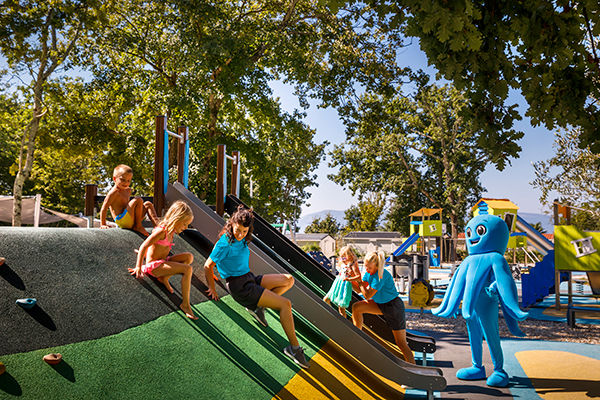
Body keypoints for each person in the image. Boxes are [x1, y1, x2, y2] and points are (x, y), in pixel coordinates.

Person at [204, 205, 309, 369]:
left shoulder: (244, 239)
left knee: (288, 280)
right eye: (238, 230)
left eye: (244, 232)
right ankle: (294, 349)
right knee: (285, 304)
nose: (240, 235)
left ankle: (258, 307)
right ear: (231, 224)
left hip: (249, 278)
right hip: (239, 287)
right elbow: (207, 266)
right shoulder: (224, 243)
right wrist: (212, 287)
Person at [129, 200, 197, 320]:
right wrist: (139, 266)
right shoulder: (162, 231)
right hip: (154, 267)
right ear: (176, 219)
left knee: (189, 257)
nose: (186, 228)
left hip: (163, 262)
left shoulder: (171, 231)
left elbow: (157, 249)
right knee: (188, 269)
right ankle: (185, 304)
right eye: (184, 224)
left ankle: (165, 277)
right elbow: (144, 245)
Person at [352, 250, 415, 364]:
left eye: (369, 267)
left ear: (377, 266)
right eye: (365, 266)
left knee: (401, 343)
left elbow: (367, 295)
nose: (366, 269)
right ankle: (357, 334)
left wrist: (359, 282)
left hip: (393, 307)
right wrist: (349, 279)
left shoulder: (381, 275)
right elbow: (359, 290)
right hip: (380, 305)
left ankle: (415, 370)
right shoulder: (368, 273)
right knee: (357, 307)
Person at [100, 164, 158, 236]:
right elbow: (104, 208)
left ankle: (158, 226)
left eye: (128, 180)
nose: (126, 183)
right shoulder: (114, 192)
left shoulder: (128, 190)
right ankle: (138, 226)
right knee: (138, 200)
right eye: (122, 180)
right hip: (121, 220)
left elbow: (130, 207)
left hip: (130, 219)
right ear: (114, 179)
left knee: (148, 204)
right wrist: (103, 224)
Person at [323, 245, 361, 317]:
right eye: (341, 257)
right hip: (338, 283)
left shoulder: (353, 265)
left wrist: (349, 279)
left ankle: (342, 322)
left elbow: (358, 277)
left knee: (341, 308)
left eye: (344, 257)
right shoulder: (343, 263)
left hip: (345, 285)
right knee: (326, 299)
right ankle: (333, 316)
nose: (342, 259)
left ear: (350, 256)